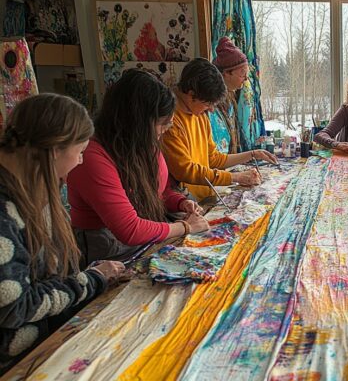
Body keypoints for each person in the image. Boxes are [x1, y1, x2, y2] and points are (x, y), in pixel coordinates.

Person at [0, 94, 126, 370]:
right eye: (80, 151)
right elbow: (16, 307)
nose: (81, 161)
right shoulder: (5, 211)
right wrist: (92, 280)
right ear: (55, 149)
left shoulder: (26, 188)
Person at [67, 69, 211, 265]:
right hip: (111, 251)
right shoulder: (92, 157)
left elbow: (160, 191)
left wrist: (180, 202)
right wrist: (185, 227)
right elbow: (130, 229)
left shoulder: (141, 144)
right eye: (161, 125)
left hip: (145, 238)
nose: (163, 132)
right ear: (137, 122)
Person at [161, 58, 277, 200]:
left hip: (204, 197)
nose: (210, 110)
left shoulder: (199, 113)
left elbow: (214, 159)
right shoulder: (169, 120)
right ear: (191, 95)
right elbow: (185, 170)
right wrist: (235, 177)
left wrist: (252, 154)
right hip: (184, 203)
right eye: (208, 103)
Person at [209, 37, 251, 154]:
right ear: (226, 73)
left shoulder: (231, 97)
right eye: (242, 74)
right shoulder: (209, 103)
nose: (246, 79)